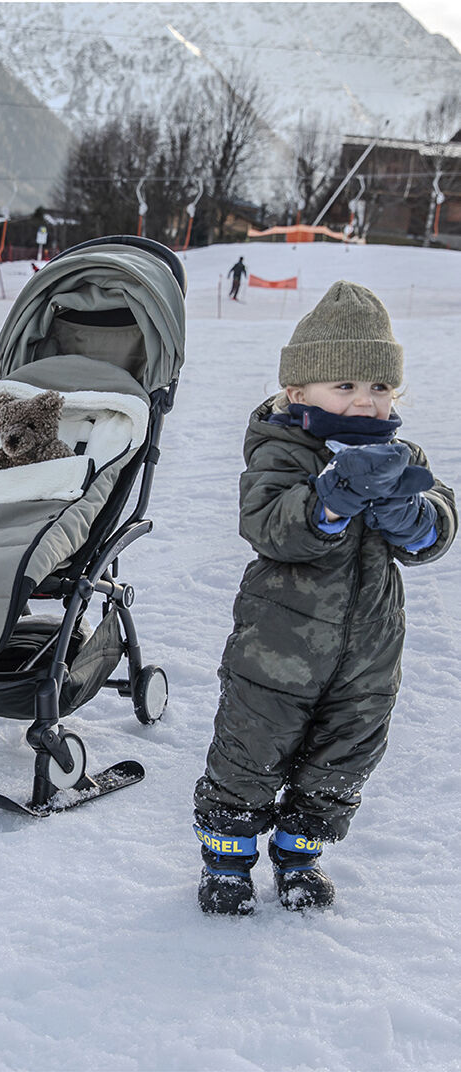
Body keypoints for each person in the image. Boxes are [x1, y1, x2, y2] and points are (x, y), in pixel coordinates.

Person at [193, 281, 456, 915]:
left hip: (368, 649)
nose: (365, 402)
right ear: (297, 391)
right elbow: (268, 526)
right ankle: (227, 860)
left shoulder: (401, 454)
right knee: (251, 746)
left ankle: (301, 854)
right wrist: (331, 497)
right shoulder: (283, 447)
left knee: (347, 749)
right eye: (345, 386)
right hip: (278, 645)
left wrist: (409, 511)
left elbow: (435, 532)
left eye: (379, 388)